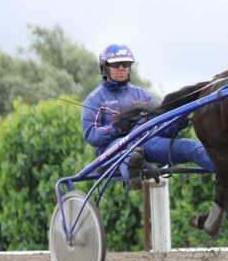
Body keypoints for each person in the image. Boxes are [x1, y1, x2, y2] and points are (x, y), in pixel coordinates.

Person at [81, 44, 215, 187]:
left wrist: (175, 124)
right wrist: (116, 128)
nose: (121, 67)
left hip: (146, 141)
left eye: (126, 64)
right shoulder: (94, 99)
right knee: (130, 153)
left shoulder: (141, 94)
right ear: (104, 67)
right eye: (116, 64)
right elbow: (91, 135)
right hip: (114, 149)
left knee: (190, 146)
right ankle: (134, 173)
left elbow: (158, 122)